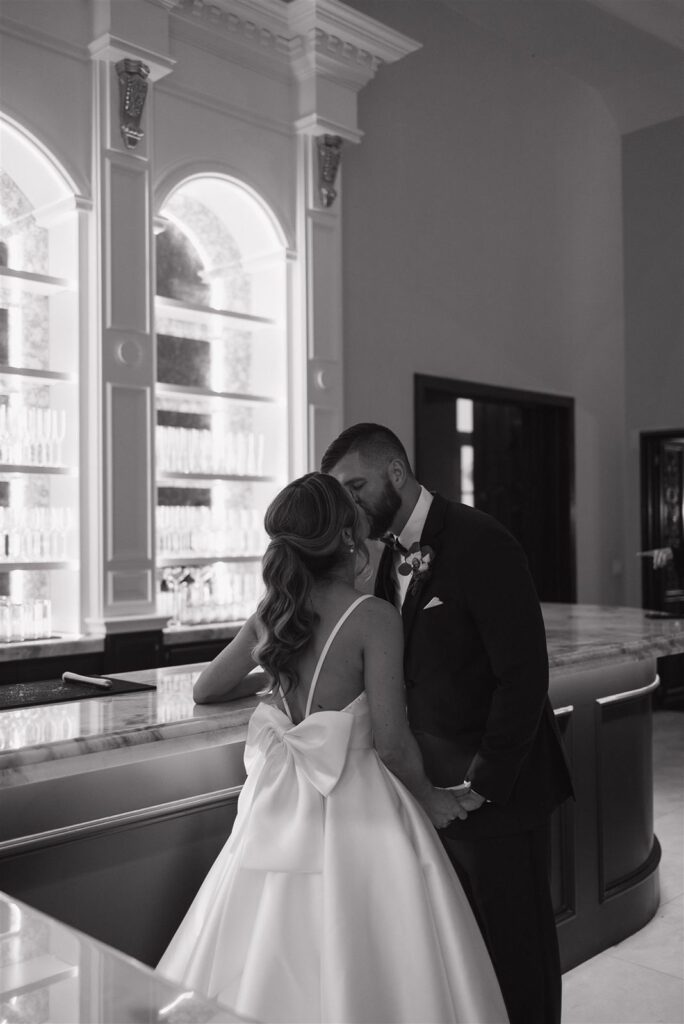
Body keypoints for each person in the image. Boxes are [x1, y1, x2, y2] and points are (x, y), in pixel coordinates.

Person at [157, 472, 509, 1024]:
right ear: (347, 537)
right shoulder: (372, 617)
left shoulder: (274, 612)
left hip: (276, 809)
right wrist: (432, 799)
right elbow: (392, 744)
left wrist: (275, 677)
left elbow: (206, 688)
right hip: (360, 810)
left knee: (262, 944)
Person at [321, 423, 574, 1024]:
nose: (349, 504)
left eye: (356, 485)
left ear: (397, 473)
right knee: (465, 963)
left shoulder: (482, 542)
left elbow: (524, 676)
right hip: (427, 794)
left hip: (496, 793)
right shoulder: (382, 557)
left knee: (518, 957)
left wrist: (484, 784)